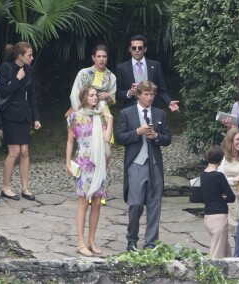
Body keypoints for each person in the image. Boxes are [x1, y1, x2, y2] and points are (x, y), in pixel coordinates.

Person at [116, 80, 171, 251]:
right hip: (136, 163)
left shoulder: (160, 114)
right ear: (139, 95)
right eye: (146, 94)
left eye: (152, 94)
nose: (149, 97)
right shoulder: (126, 113)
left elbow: (168, 138)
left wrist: (157, 136)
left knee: (155, 205)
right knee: (136, 204)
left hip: (154, 163)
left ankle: (151, 243)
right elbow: (119, 137)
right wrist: (137, 133)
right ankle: (132, 238)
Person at [66, 86, 113, 256]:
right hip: (84, 162)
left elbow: (107, 139)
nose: (95, 98)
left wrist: (110, 118)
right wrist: (68, 163)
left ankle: (92, 240)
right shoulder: (75, 117)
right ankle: (80, 242)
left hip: (99, 163)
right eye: (92, 95)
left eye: (96, 95)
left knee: (97, 201)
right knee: (83, 202)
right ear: (84, 97)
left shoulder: (100, 117)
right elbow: (70, 142)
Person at [0, 42, 41, 201]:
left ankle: (25, 187)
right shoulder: (6, 67)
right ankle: (6, 187)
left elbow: (32, 96)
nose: (32, 57)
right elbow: (3, 91)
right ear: (20, 56)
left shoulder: (29, 69)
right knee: (14, 152)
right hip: (10, 115)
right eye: (29, 55)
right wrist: (17, 79)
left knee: (24, 152)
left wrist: (36, 117)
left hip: (24, 115)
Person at [116, 35, 179, 111]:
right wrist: (129, 93)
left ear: (145, 49)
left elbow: (162, 90)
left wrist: (169, 102)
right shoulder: (121, 68)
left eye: (140, 48)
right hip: (131, 111)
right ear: (130, 49)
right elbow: (118, 93)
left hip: (152, 109)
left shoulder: (156, 65)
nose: (137, 50)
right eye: (134, 48)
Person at [201, 145, 235, 259]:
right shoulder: (219, 176)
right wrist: (224, 197)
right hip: (219, 218)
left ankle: (231, 272)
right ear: (220, 160)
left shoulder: (203, 175)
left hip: (208, 217)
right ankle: (208, 276)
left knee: (226, 251)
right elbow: (231, 197)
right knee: (215, 256)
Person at [70, 44, 116, 114]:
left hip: (102, 111)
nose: (101, 59)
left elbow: (113, 99)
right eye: (98, 56)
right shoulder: (83, 73)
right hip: (81, 109)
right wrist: (80, 109)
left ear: (107, 58)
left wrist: (108, 96)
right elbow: (75, 94)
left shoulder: (111, 77)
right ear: (93, 58)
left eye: (104, 56)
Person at [218, 128, 239, 235]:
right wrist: (232, 180)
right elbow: (218, 178)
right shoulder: (222, 158)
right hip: (225, 196)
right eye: (238, 139)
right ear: (230, 140)